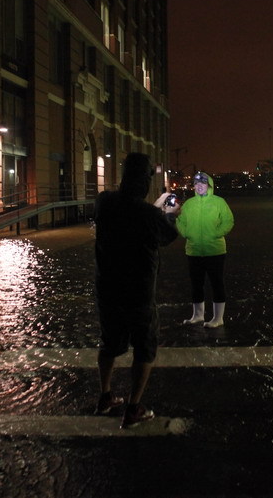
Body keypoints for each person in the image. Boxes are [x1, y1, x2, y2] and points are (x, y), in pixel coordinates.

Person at [94, 152, 179, 428]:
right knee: (144, 349)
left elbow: (119, 211)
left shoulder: (104, 203)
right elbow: (168, 235)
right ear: (144, 181)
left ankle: (105, 396)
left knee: (109, 342)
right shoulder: (149, 214)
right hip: (139, 293)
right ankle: (133, 408)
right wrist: (170, 213)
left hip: (107, 289)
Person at [175, 171, 234, 328]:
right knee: (196, 284)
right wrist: (185, 233)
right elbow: (180, 220)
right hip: (193, 251)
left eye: (203, 183)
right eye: (196, 183)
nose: (199, 186)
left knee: (217, 283)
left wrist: (216, 233)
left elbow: (228, 221)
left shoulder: (219, 202)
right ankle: (198, 315)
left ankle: (218, 318)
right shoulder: (189, 204)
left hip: (215, 251)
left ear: (209, 186)